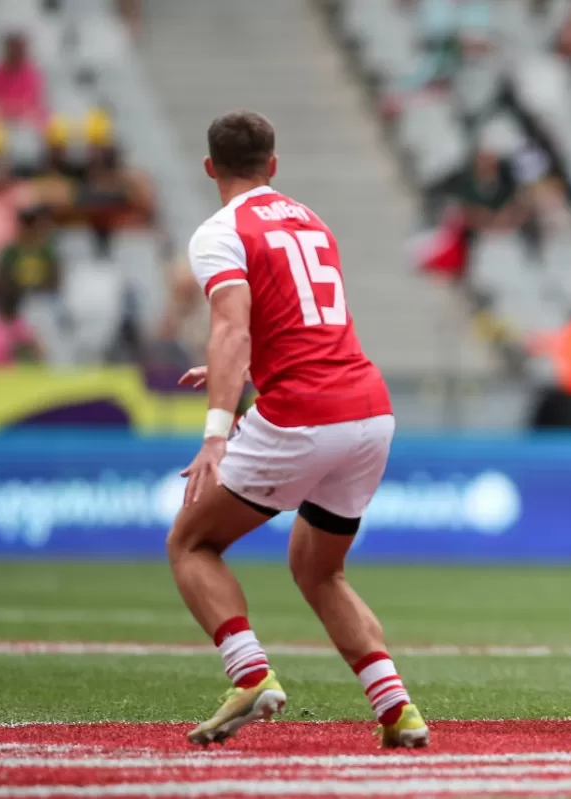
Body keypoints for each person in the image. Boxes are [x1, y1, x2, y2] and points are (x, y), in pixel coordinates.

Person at [167, 111, 427, 748]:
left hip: (304, 415)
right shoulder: (311, 219)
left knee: (191, 543)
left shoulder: (218, 232)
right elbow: (300, 321)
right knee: (319, 569)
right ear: (273, 165)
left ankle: (249, 673)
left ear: (210, 168)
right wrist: (243, 364)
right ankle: (397, 710)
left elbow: (232, 326)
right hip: (369, 411)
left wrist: (215, 434)